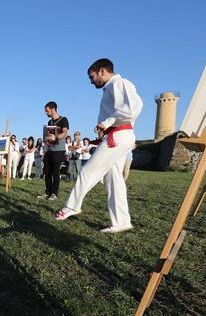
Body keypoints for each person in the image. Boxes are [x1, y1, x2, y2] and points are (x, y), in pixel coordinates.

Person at [54, 58, 143, 233]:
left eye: (92, 76)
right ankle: (121, 222)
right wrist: (105, 126)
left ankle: (72, 205)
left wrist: (107, 122)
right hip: (117, 135)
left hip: (118, 135)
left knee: (89, 170)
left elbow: (133, 109)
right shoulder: (111, 88)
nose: (91, 81)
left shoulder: (120, 83)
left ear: (102, 71)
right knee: (113, 179)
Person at [38, 101, 69, 200]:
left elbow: (64, 133)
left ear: (52, 109)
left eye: (47, 111)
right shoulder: (50, 122)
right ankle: (48, 192)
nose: (46, 113)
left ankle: (54, 194)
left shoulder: (63, 119)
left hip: (59, 150)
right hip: (49, 149)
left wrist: (55, 137)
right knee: (46, 171)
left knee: (55, 172)